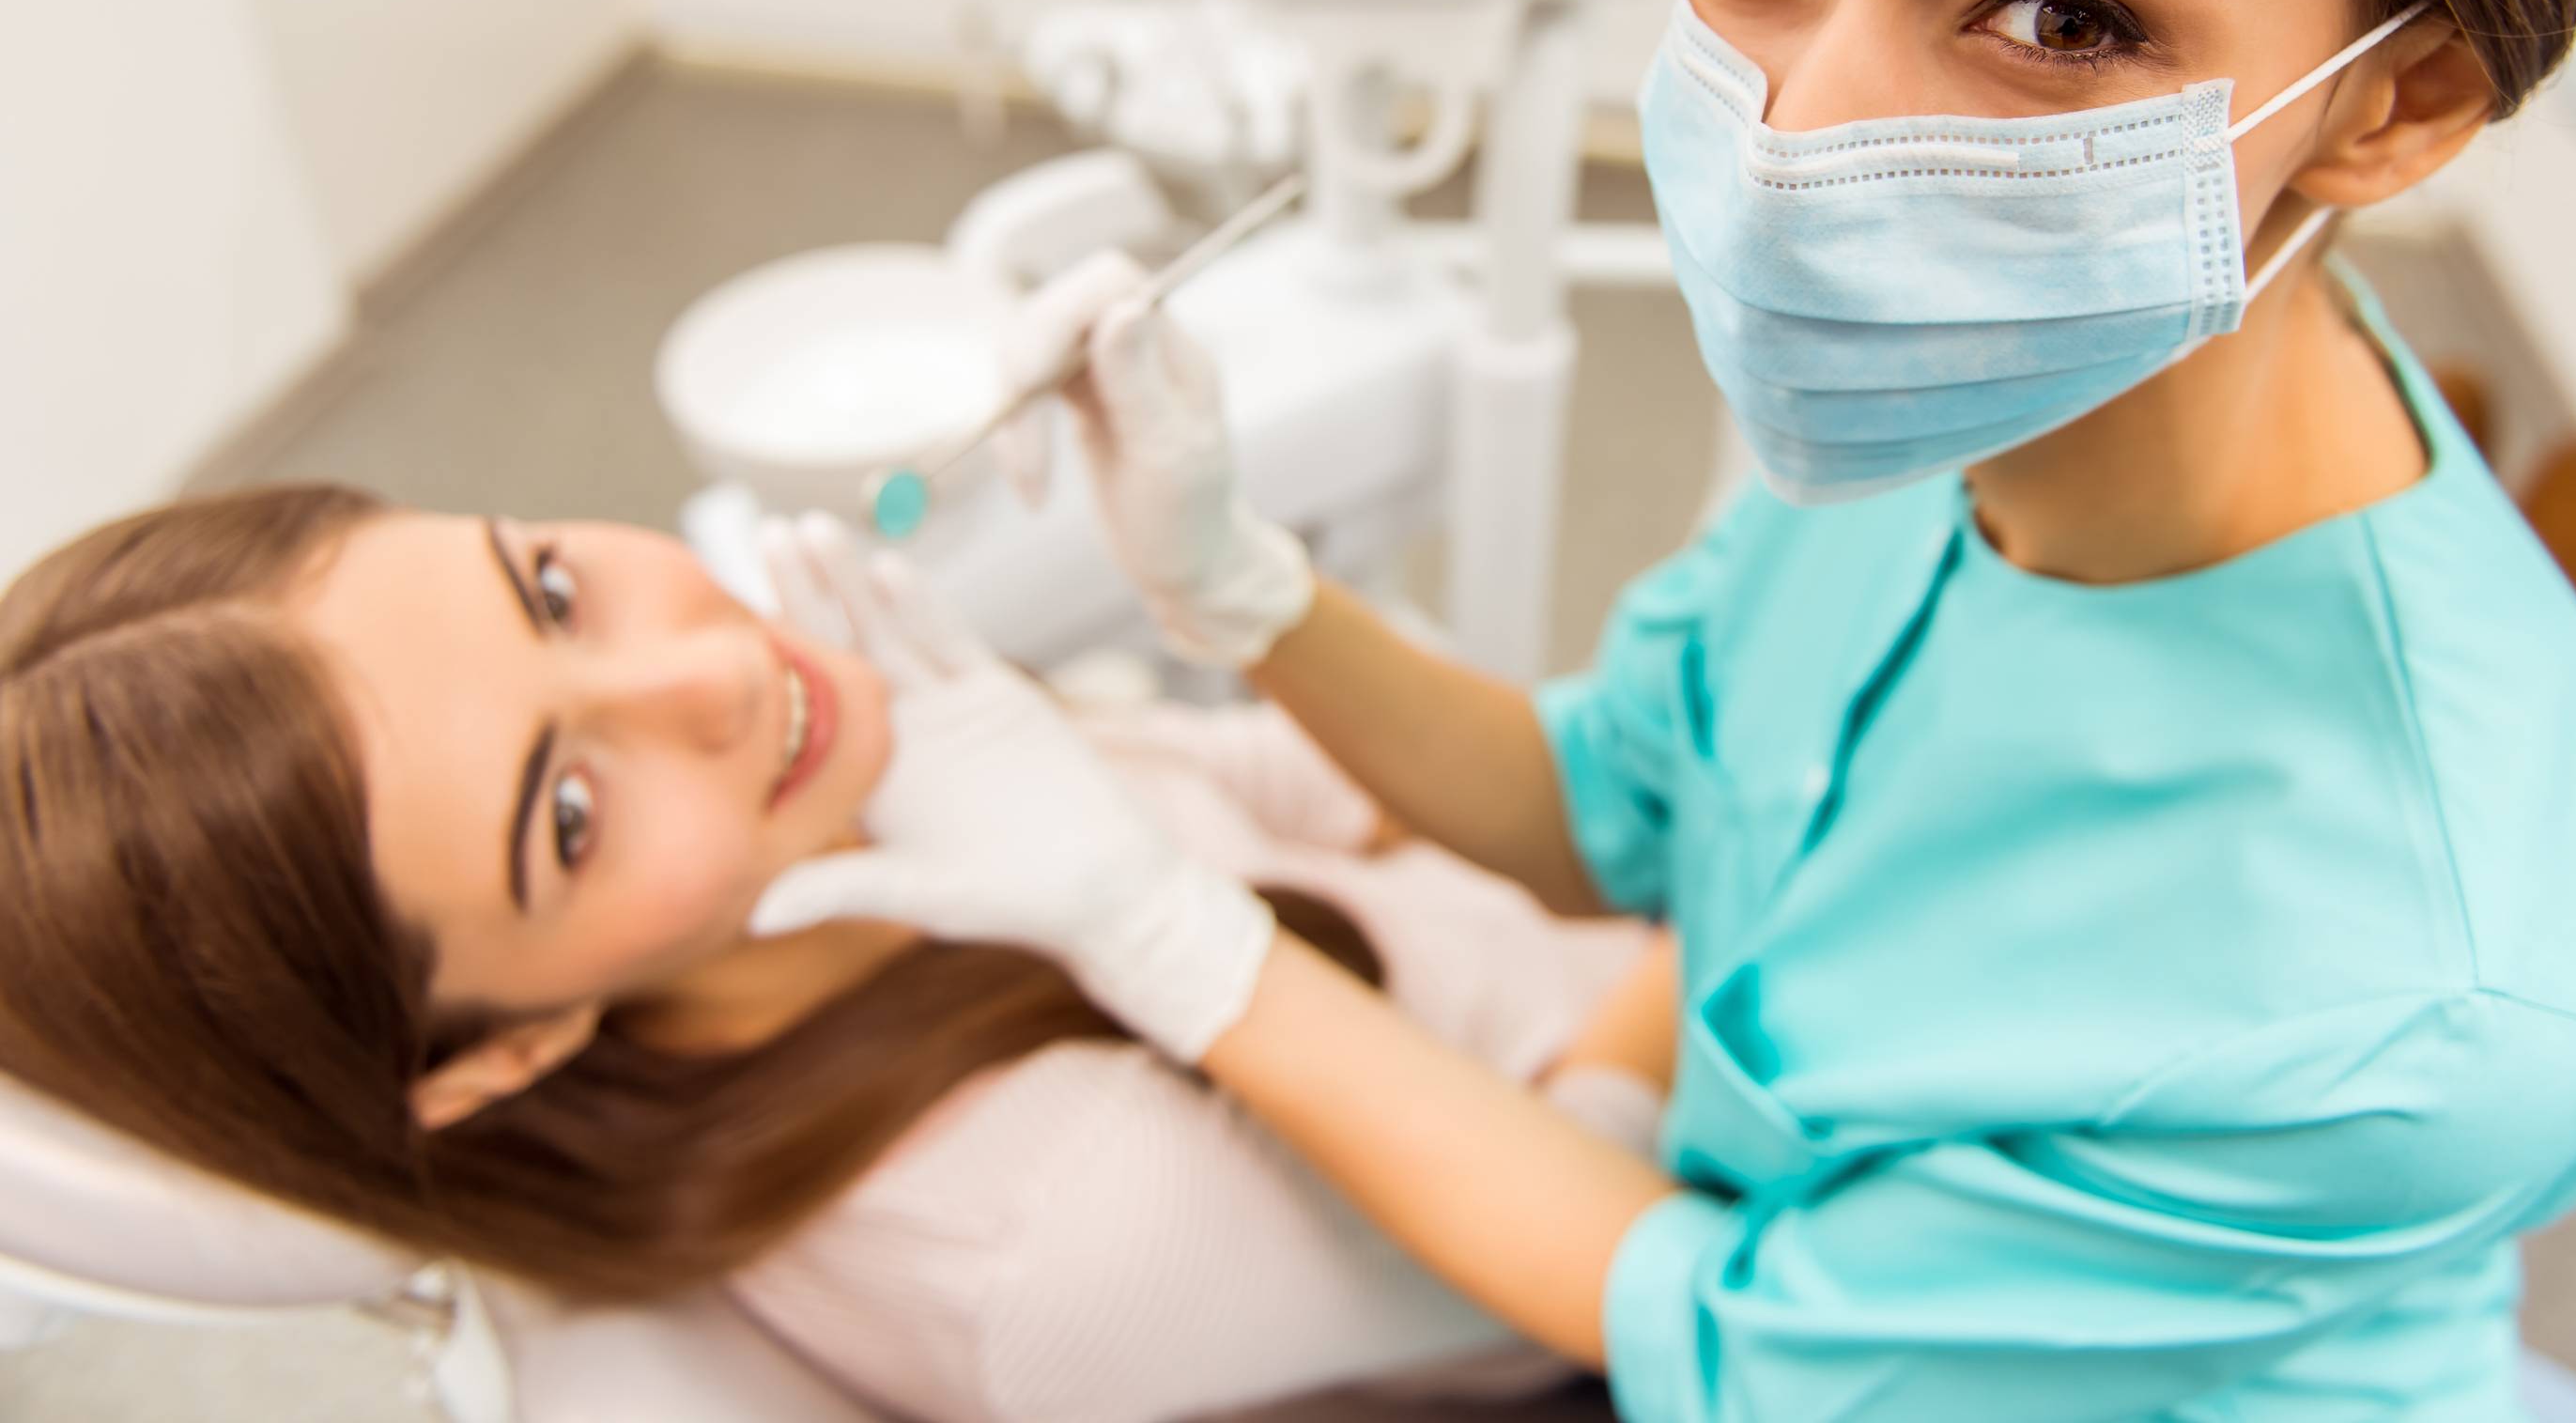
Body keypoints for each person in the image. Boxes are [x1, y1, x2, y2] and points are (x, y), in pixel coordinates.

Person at [750, 0, 2576, 1416]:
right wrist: (1230, 581)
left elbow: (1736, 1334)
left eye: (2060, 15)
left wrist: (1168, 934)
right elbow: (1619, 801)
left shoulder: (2425, 1018)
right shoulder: (1960, 414)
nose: (1796, 152)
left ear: (2393, 99)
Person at [0, 487, 1669, 1422]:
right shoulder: (1040, 1243)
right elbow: (1600, 1254)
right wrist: (1759, 864)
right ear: (493, 1050)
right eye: (570, 816)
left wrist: (1243, 588)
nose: (705, 677)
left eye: (556, 588)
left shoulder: (846, 805)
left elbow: (1295, 792)